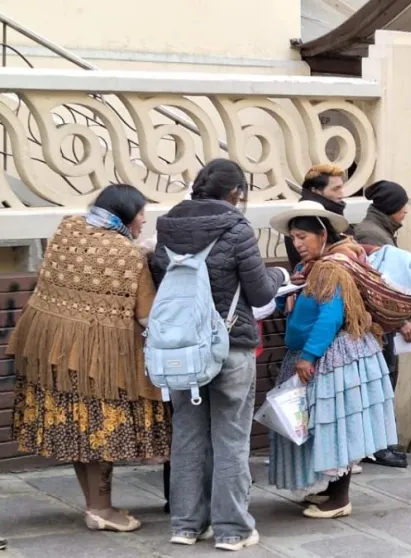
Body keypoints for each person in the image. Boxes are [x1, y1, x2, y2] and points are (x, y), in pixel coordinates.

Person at [6, 184, 170, 533]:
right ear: (126, 214)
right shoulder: (127, 256)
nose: (144, 220)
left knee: (80, 431)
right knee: (99, 431)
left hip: (52, 352)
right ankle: (101, 510)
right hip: (100, 362)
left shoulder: (68, 230)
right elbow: (148, 316)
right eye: (141, 214)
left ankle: (96, 504)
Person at [151, 159, 287, 551]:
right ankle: (232, 530)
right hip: (231, 345)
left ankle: (186, 525)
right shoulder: (236, 227)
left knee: (188, 437)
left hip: (182, 349)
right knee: (230, 439)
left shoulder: (168, 226)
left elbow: (161, 279)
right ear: (235, 193)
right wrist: (279, 277)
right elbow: (261, 293)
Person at [266, 202, 397, 519]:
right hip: (336, 355)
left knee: (337, 424)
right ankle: (330, 489)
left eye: (302, 237)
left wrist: (308, 356)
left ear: (322, 234)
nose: (297, 244)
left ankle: (340, 499)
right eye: (294, 237)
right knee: (330, 424)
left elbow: (331, 315)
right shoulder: (322, 266)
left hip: (332, 358)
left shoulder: (331, 268)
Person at [352, 179, 411, 469]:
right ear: (390, 209)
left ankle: (380, 443)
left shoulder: (380, 230)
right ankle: (378, 446)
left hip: (382, 325)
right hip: (379, 326)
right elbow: (377, 288)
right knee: (381, 382)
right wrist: (400, 322)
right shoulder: (371, 235)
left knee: (385, 380)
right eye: (402, 208)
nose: (405, 213)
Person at [285, 163, 351, 269]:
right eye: (335, 189)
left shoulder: (335, 214)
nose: (341, 194)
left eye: (341, 188)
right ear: (315, 191)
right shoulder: (299, 220)